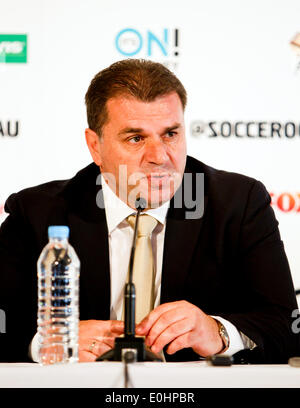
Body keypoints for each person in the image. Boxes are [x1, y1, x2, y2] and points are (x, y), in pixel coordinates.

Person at [0, 59, 299, 363]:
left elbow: (286, 328)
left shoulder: (237, 203)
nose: (159, 157)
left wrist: (219, 333)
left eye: (170, 134)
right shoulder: (36, 214)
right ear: (95, 146)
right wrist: (48, 341)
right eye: (136, 138)